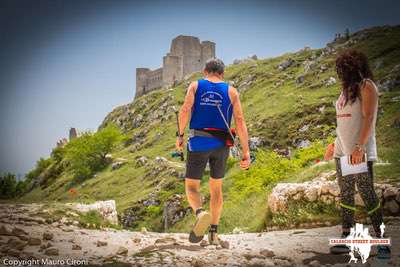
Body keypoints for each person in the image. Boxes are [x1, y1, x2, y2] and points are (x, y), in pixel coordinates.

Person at [176, 58, 250, 245]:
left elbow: (185, 110)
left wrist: (180, 135)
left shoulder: (195, 85)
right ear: (222, 73)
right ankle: (214, 235)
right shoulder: (232, 91)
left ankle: (201, 214)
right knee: (216, 189)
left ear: (205, 71)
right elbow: (240, 121)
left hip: (198, 143)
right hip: (221, 145)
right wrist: (246, 152)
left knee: (192, 186)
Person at [324, 49, 390, 259]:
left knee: (366, 193)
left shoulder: (366, 86)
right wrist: (334, 144)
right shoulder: (345, 92)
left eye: (344, 68)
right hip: (343, 148)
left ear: (355, 67)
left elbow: (369, 117)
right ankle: (346, 237)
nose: (341, 73)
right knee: (345, 193)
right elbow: (343, 121)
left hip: (357, 150)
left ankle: (382, 241)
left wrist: (359, 147)